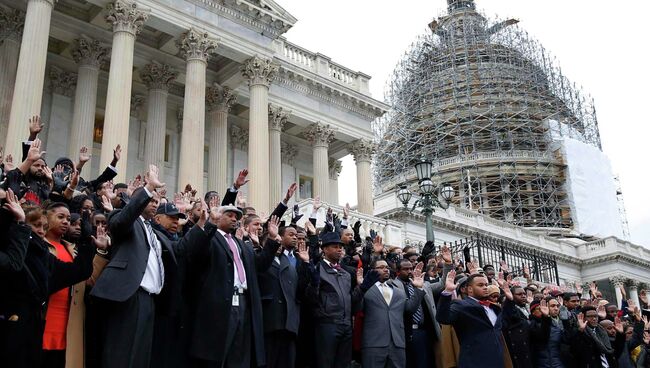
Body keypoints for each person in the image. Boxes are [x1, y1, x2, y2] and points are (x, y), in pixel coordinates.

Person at [90, 165, 213, 368]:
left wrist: (204, 225)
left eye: (157, 201)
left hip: (150, 300)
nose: (155, 204)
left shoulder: (154, 233)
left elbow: (181, 249)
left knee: (140, 358)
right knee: (120, 356)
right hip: (128, 296)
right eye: (151, 200)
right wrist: (148, 188)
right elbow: (122, 221)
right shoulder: (123, 219)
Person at [182, 202, 281, 367]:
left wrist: (271, 240)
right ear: (218, 216)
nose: (234, 219)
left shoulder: (241, 244)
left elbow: (260, 266)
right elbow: (195, 251)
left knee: (239, 356)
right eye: (230, 215)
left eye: (237, 217)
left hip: (244, 304)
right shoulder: (210, 237)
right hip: (219, 306)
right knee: (217, 356)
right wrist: (210, 224)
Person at [305, 231, 363, 368]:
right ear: (324, 249)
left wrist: (362, 288)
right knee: (325, 363)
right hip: (327, 324)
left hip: (346, 325)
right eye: (335, 246)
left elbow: (351, 300)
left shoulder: (346, 274)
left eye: (341, 247)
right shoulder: (317, 269)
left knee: (343, 364)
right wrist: (313, 284)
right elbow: (311, 299)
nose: (339, 249)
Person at [257, 225, 310, 368]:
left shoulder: (288, 263)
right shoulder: (261, 260)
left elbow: (300, 288)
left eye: (280, 241)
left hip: (289, 323)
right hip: (271, 321)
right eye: (276, 240)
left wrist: (305, 263)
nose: (279, 243)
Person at [360, 259, 425, 368]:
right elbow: (357, 306)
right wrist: (361, 288)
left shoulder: (398, 292)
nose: (386, 269)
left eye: (387, 267)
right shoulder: (366, 290)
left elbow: (409, 309)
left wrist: (418, 288)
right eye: (381, 267)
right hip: (374, 344)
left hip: (397, 344)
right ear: (372, 270)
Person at [436, 270, 506, 368]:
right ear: (470, 289)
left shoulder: (494, 308)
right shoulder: (461, 305)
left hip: (497, 362)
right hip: (474, 362)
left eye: (486, 284)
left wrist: (508, 298)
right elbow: (443, 318)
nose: (485, 287)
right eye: (480, 285)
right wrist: (448, 291)